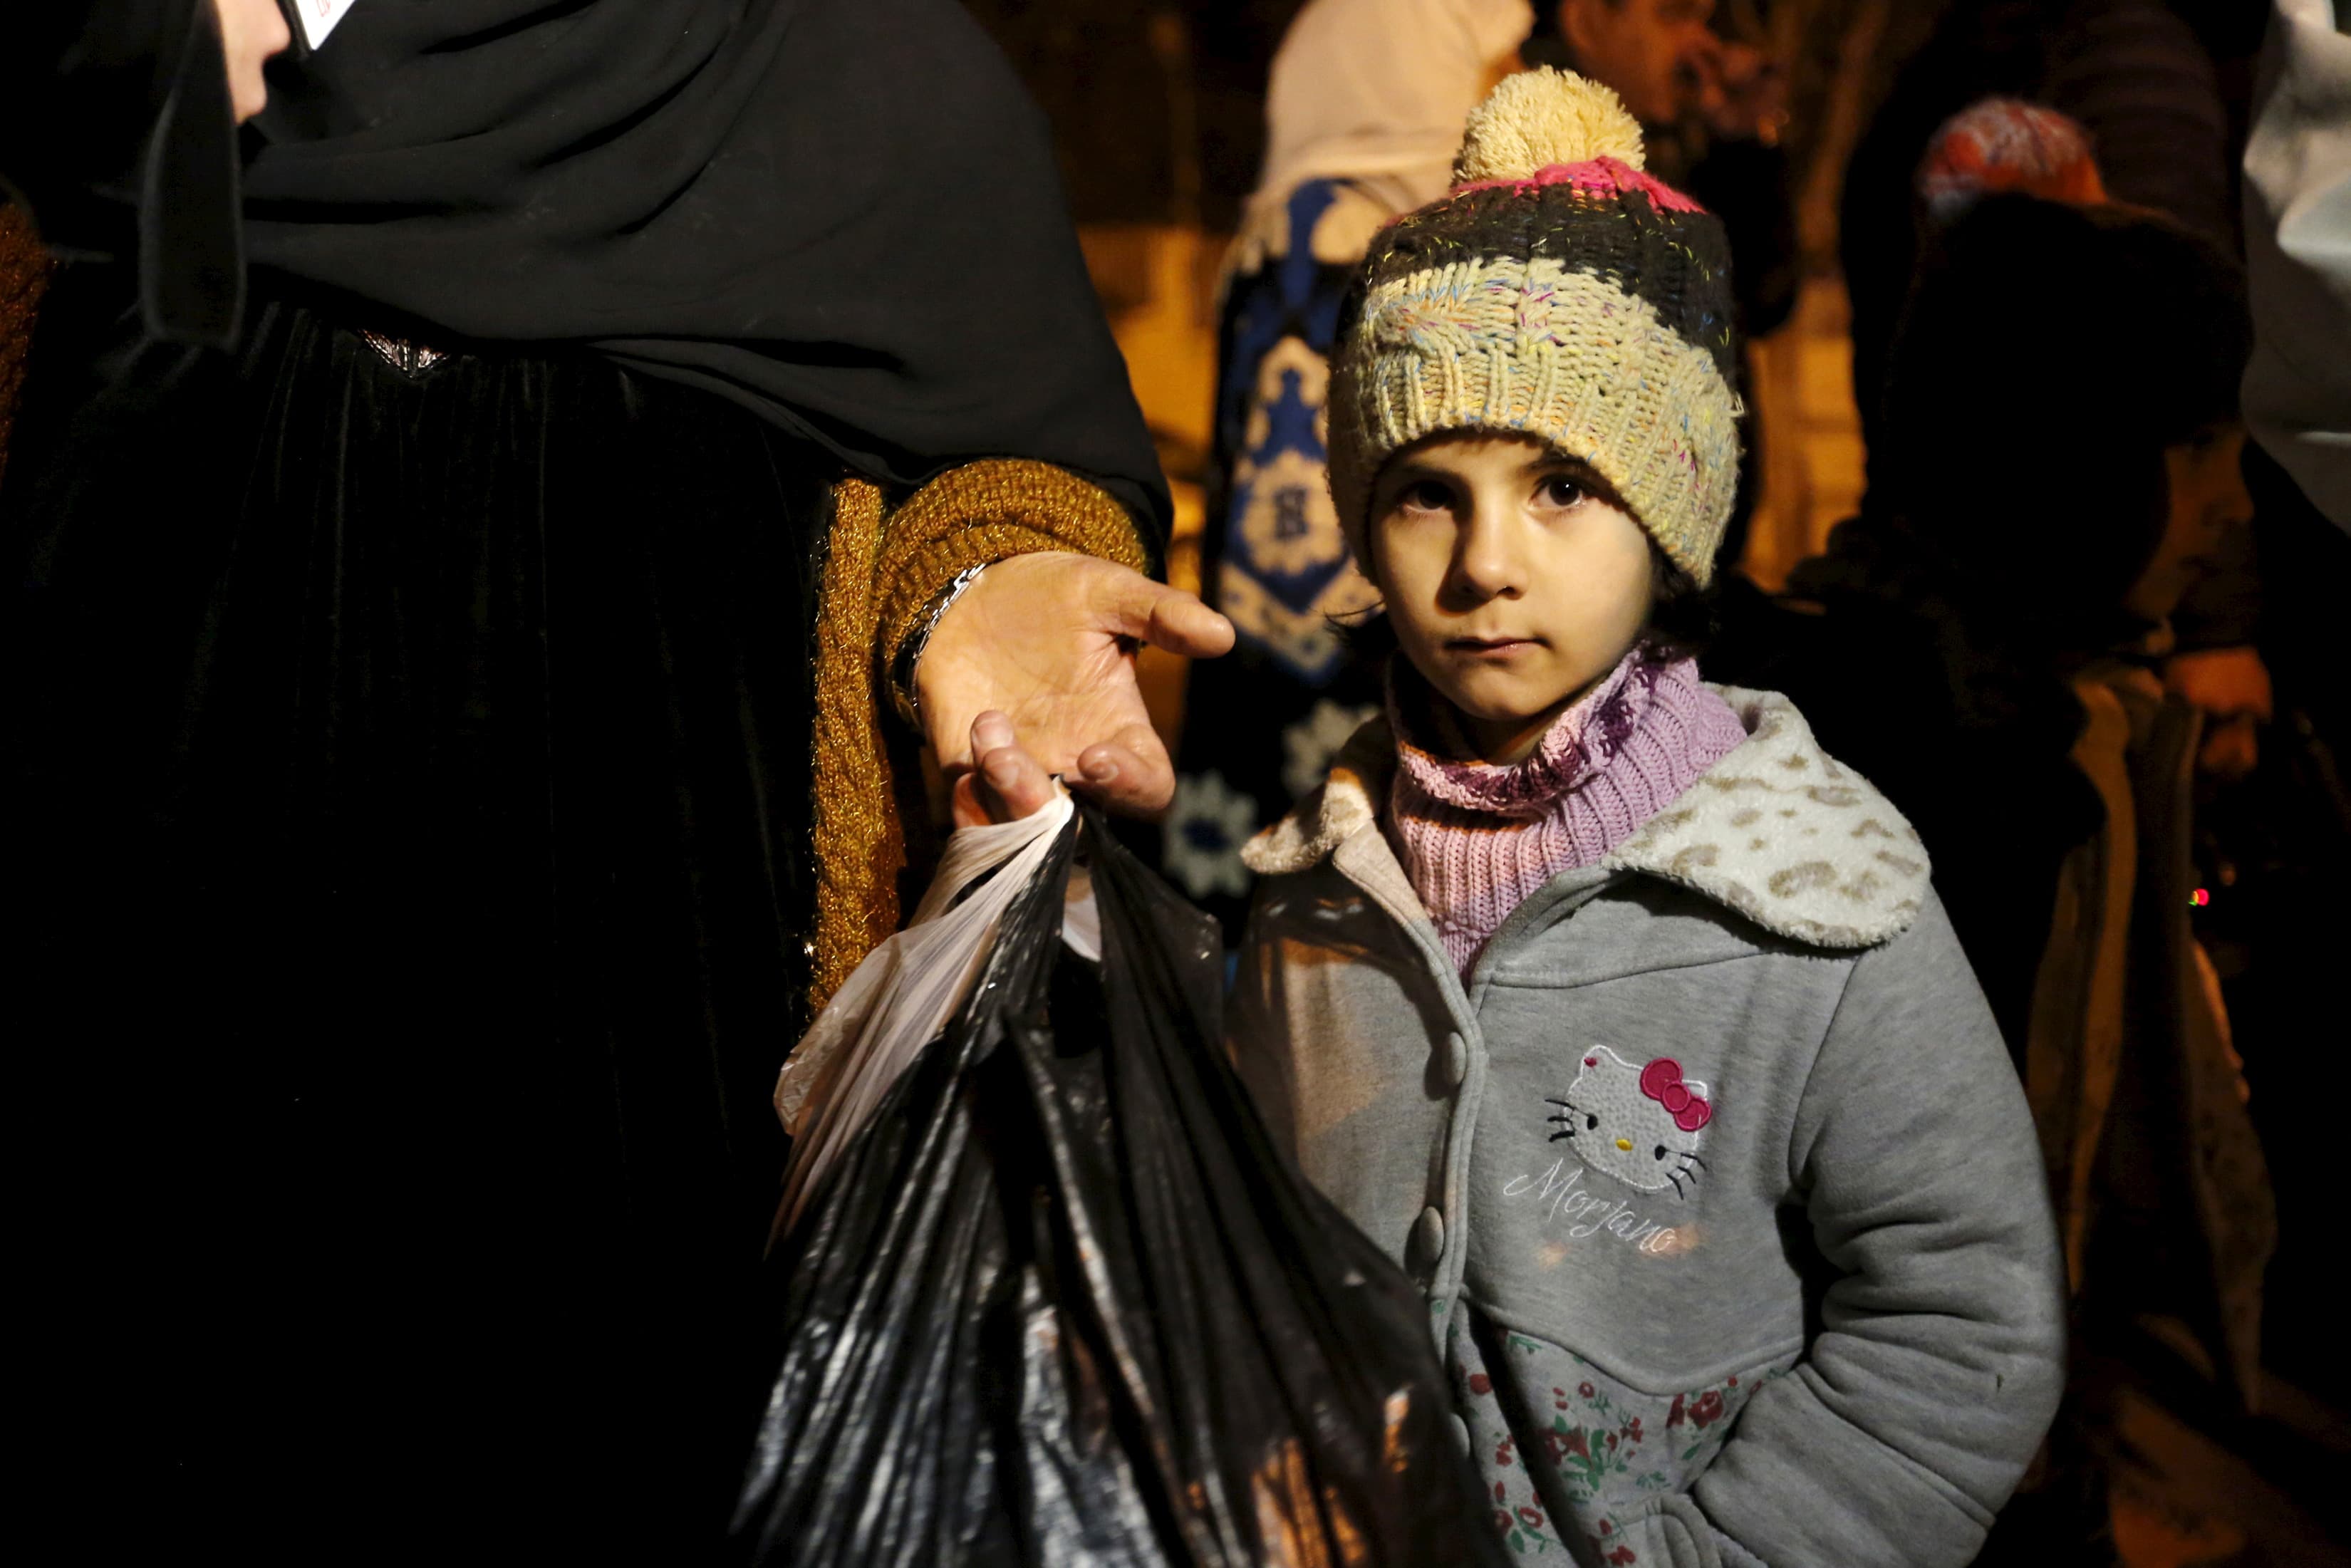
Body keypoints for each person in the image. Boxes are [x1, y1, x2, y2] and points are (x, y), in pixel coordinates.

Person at [2, 0, 1230, 1556]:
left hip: (640, 1096)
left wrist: (976, 583)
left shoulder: (857, 65)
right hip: (139, 1065)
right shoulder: (134, 34)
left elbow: (984, 445)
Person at [1225, 71, 2065, 1567]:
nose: (1487, 563)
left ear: (1672, 507)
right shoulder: (1311, 892)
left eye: (1561, 484)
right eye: (1426, 490)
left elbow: (1959, 1327)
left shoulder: (1816, 903)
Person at [1769, 193, 2277, 1561]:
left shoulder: (2064, 715)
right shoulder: (1926, 779)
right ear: (2059, 458)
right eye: (2194, 449)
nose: (2233, 502)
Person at [1158, 0, 1535, 930]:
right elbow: (1296, 579)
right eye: (1489, 59)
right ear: (1408, 65)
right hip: (1326, 738)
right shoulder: (1340, 245)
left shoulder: (1325, 229)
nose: (1510, 85)